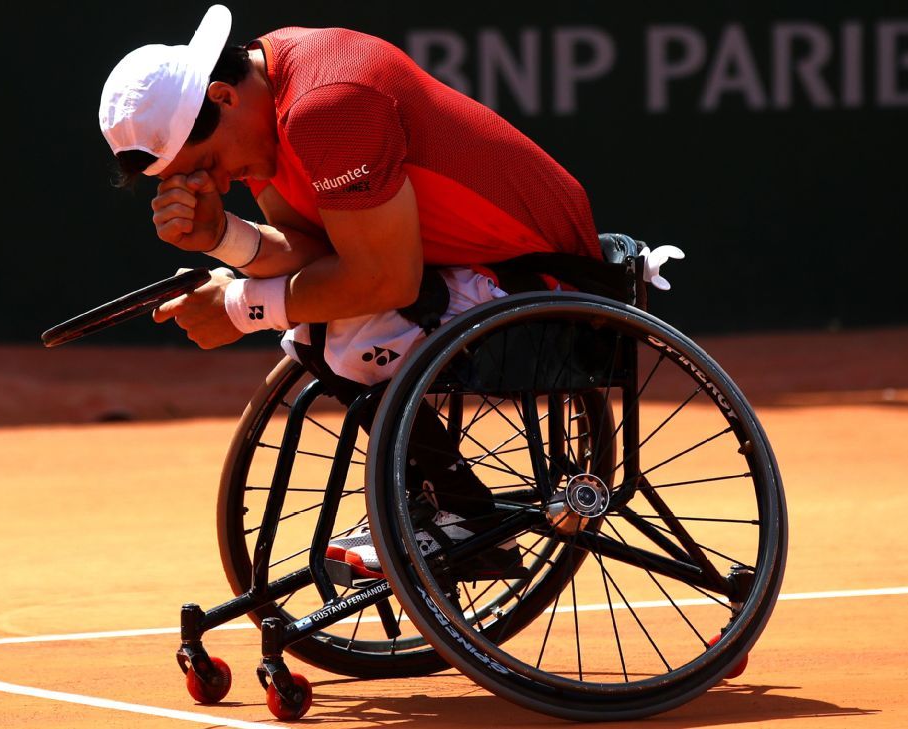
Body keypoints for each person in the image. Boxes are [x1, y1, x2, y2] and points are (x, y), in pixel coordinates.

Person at [97, 5, 620, 579]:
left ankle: (460, 516)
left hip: (539, 277)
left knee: (334, 325)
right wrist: (223, 240)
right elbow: (318, 249)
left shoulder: (327, 105)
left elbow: (380, 280)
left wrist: (240, 306)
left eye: (212, 163)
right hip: (463, 270)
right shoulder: (265, 99)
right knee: (320, 316)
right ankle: (439, 503)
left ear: (222, 96)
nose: (220, 184)